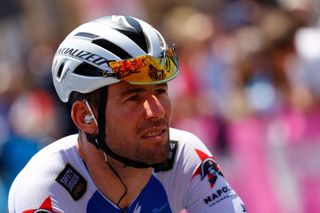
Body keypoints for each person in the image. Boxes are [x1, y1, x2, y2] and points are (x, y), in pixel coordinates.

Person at [8, 15, 246, 213]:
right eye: (133, 98)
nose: (157, 111)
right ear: (85, 117)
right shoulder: (43, 189)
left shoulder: (185, 155)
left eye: (161, 90)